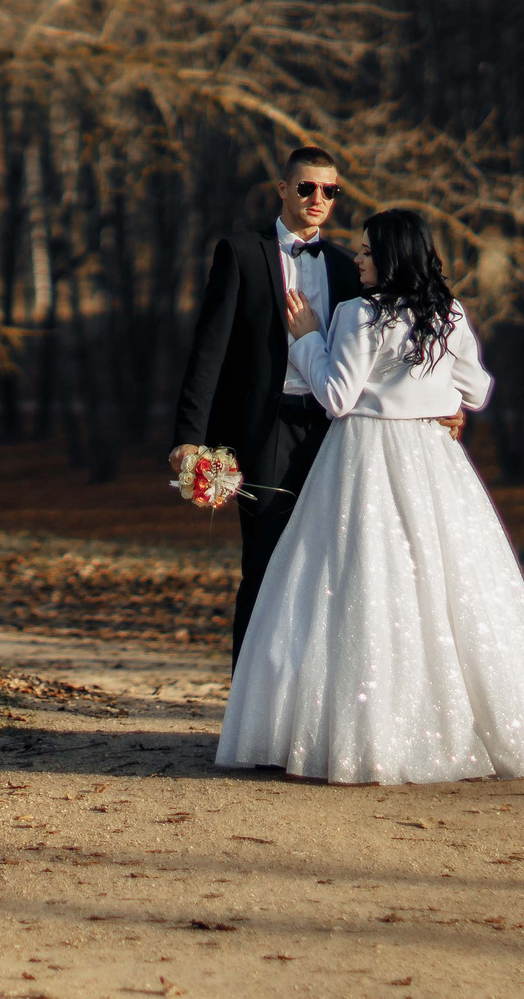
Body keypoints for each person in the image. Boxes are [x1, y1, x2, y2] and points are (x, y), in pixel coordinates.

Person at [215, 207, 524, 785]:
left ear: (390, 256)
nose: (359, 260)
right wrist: (441, 398)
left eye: (367, 251)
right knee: (441, 585)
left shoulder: (358, 314)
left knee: (359, 586)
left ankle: (357, 731)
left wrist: (307, 339)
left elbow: (337, 396)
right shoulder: (449, 312)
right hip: (432, 460)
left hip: (363, 458)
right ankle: (456, 725)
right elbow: (480, 389)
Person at [170, 146, 363, 661]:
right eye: (307, 187)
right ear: (283, 190)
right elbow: (208, 352)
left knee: (331, 567)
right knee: (264, 563)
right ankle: (248, 715)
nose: (319, 198)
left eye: (330, 190)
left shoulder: (349, 266)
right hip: (266, 429)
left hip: (336, 429)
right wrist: (189, 437)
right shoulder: (240, 253)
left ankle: (307, 708)